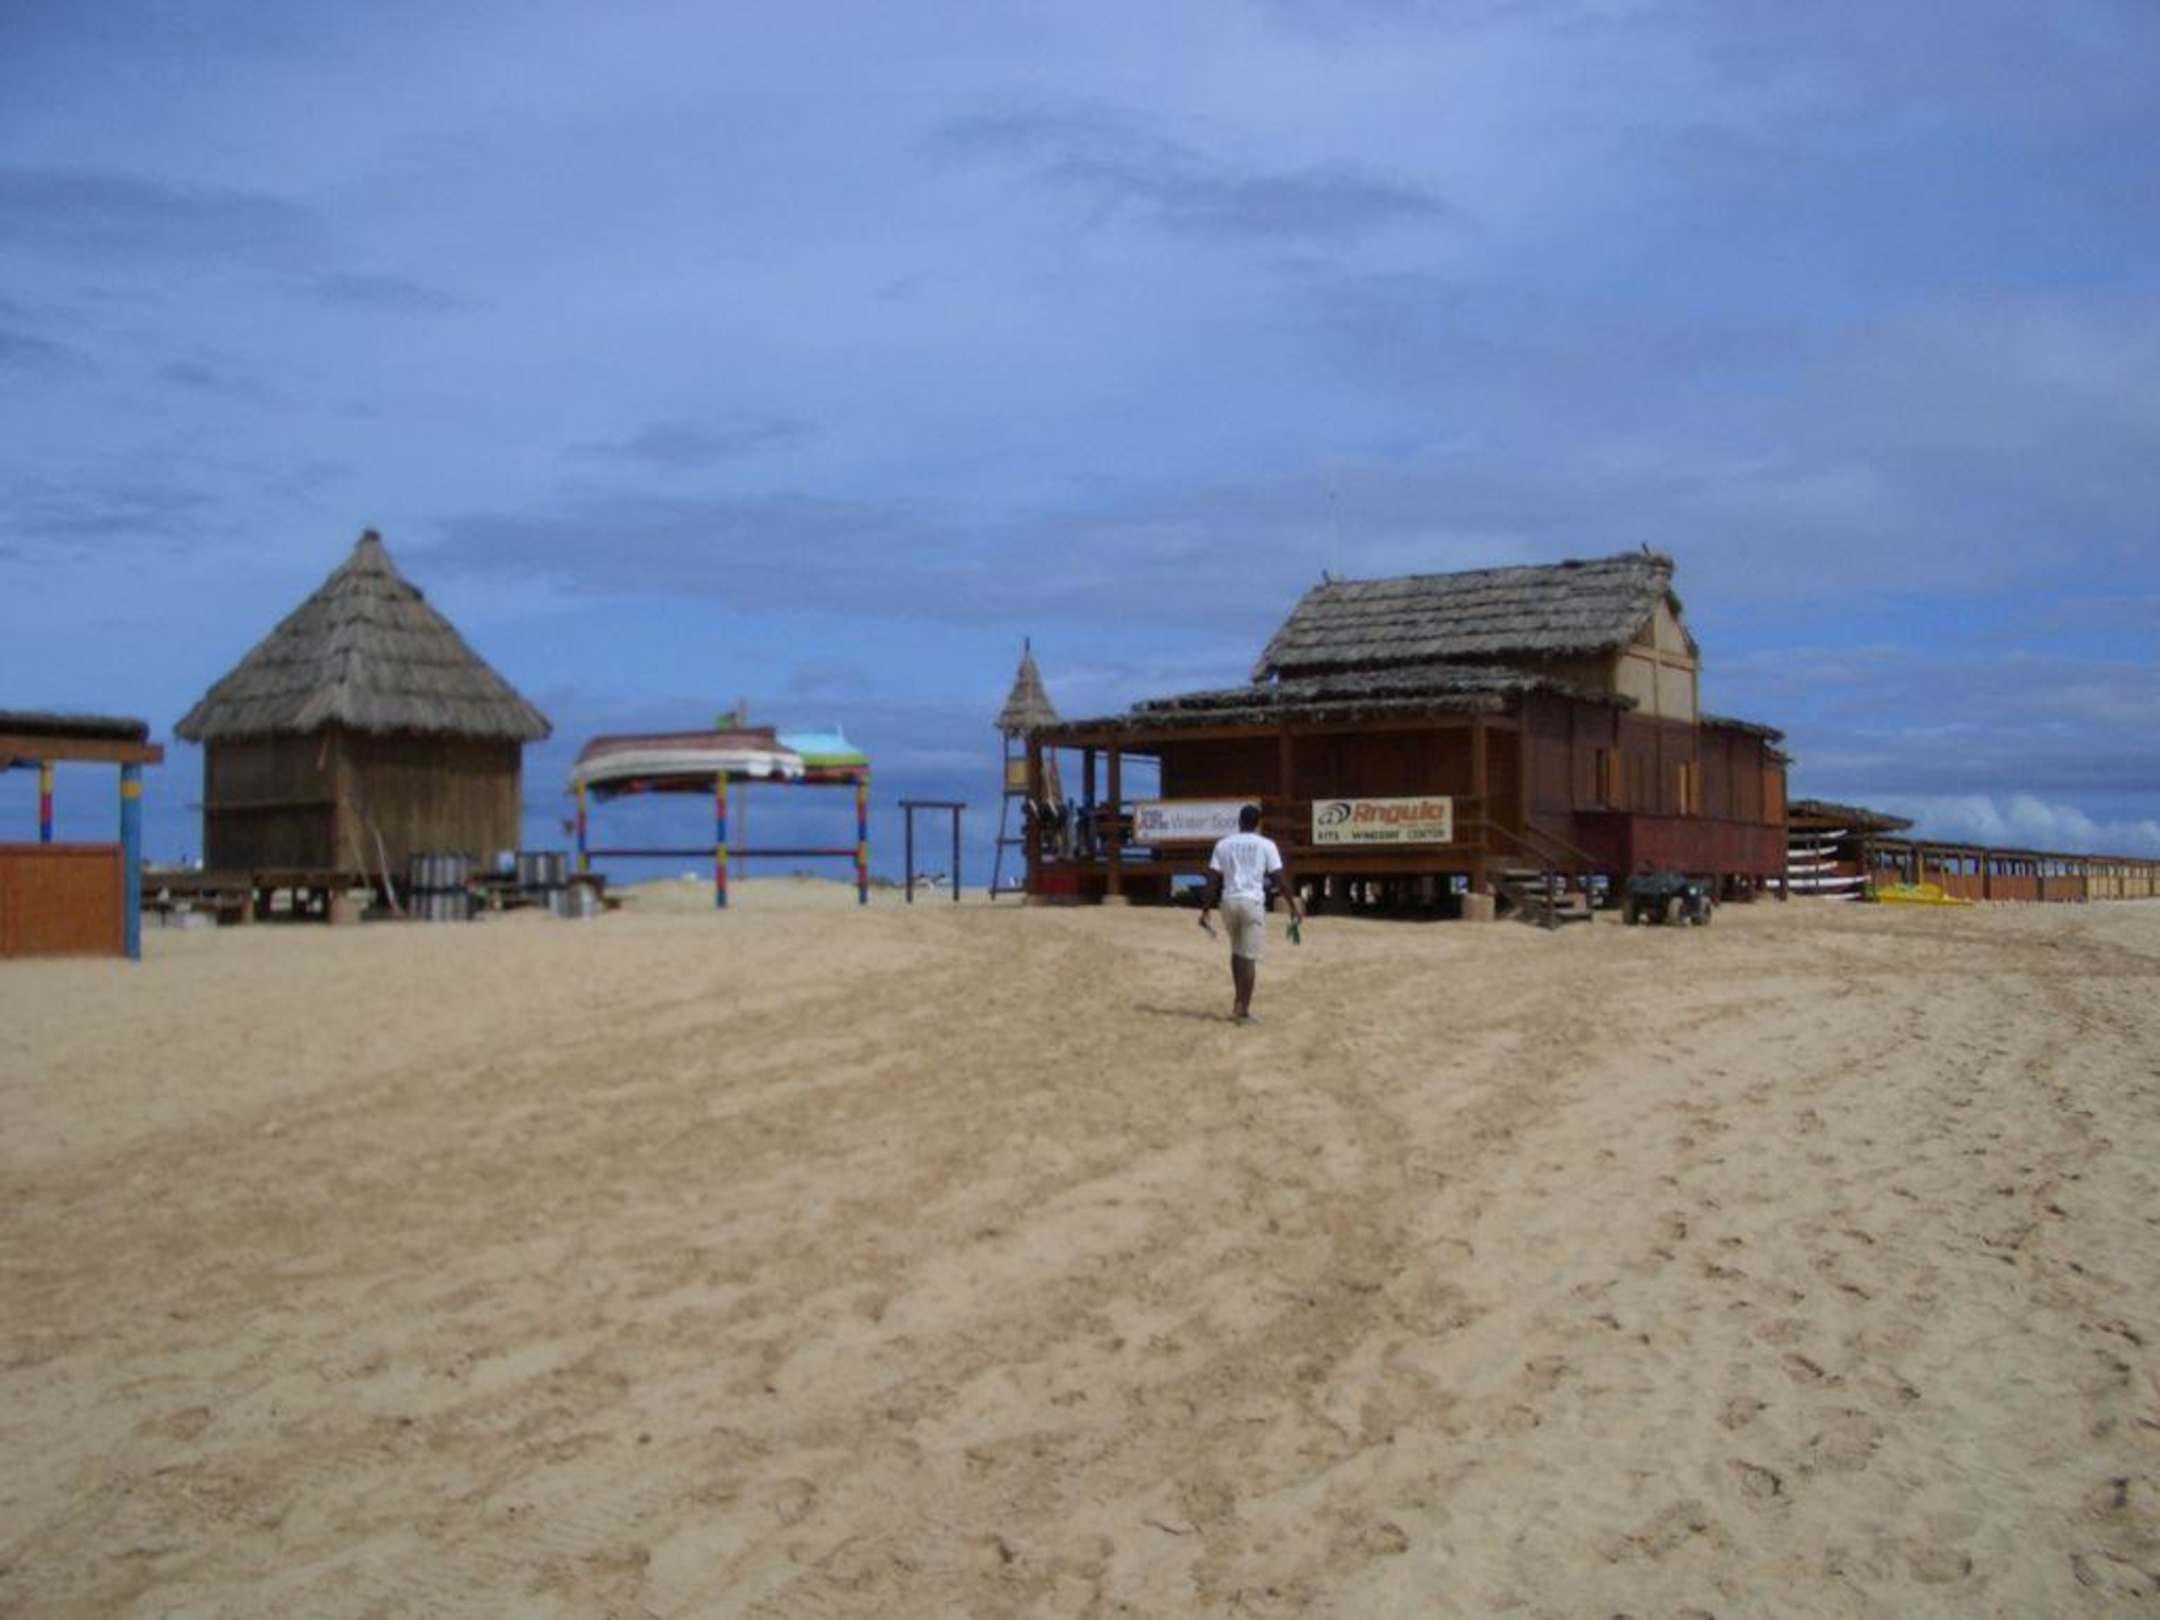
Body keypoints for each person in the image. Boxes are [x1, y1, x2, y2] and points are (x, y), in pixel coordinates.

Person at [1197, 804, 1302, 1023]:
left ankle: (1238, 1001)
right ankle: (1243, 1010)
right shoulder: (1266, 845)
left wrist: (1205, 909)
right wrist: (1292, 905)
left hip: (1228, 902)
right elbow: (1278, 878)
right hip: (1252, 902)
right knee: (1249, 958)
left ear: (1239, 822)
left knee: (1237, 952)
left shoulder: (1223, 844)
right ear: (1257, 824)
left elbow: (1212, 879)